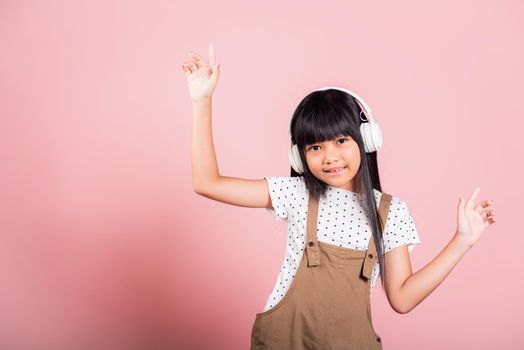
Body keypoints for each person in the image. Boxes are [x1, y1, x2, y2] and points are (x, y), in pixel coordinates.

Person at [180, 44, 497, 349]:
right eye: (315, 147)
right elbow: (207, 183)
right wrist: (201, 102)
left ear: (367, 140)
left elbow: (402, 298)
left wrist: (462, 241)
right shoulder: (295, 193)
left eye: (342, 140)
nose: (329, 157)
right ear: (299, 155)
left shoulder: (391, 213)